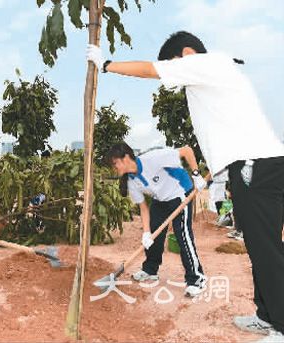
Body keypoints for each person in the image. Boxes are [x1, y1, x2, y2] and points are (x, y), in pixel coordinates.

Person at [87, 31, 284, 342]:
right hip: (251, 165)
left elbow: (151, 70)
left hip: (253, 165)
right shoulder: (215, 71)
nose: (173, 75)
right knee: (260, 247)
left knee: (265, 249)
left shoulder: (204, 64)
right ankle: (267, 315)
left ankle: (281, 325)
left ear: (185, 54)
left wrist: (107, 64)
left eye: (173, 65)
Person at [107, 142, 207, 297]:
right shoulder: (132, 181)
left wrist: (196, 175)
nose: (115, 168)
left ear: (125, 158)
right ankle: (150, 269)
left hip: (180, 193)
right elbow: (143, 208)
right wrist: (146, 233)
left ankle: (197, 279)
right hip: (160, 200)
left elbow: (187, 151)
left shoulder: (153, 158)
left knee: (183, 235)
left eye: (115, 163)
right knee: (154, 233)